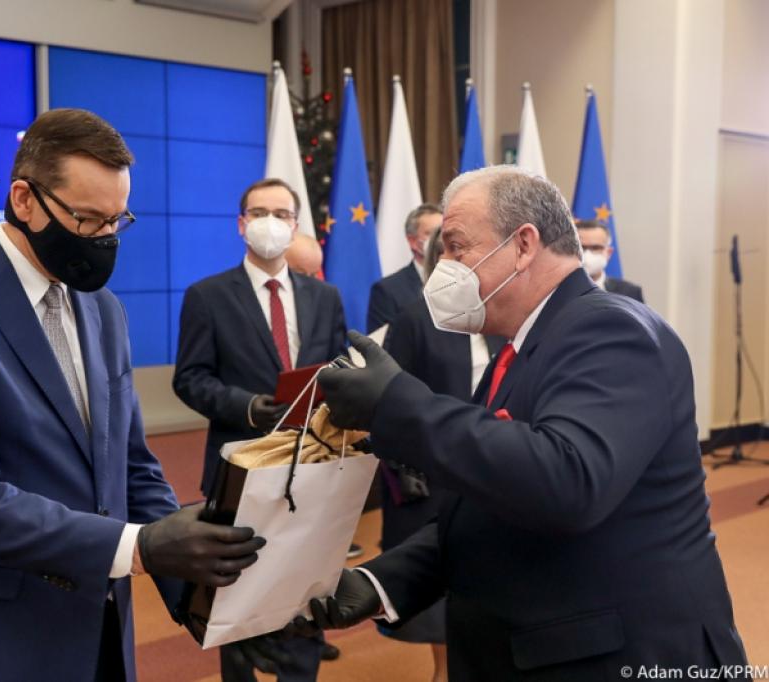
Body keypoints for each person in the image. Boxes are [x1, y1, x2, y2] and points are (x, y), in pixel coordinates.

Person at [309, 166, 749, 679]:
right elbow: (490, 503)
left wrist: (396, 404)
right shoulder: (519, 348)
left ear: (522, 245)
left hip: (617, 659)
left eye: (456, 247)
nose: (443, 267)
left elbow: (567, 481)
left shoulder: (610, 328)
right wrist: (381, 582)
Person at [0, 109, 269, 682]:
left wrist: (210, 595)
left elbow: (131, 467)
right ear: (24, 200)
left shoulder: (103, 309)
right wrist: (141, 547)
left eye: (117, 220)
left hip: (100, 631)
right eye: (88, 219)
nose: (104, 238)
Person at [173, 177, 347, 680]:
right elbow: (190, 379)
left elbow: (339, 370)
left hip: (311, 466)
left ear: (295, 225)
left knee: (305, 593)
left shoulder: (325, 297)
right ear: (241, 223)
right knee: (237, 594)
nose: (270, 222)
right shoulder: (206, 296)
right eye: (259, 212)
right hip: (239, 467)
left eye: (281, 213)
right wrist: (248, 407)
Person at [376, 226, 505, 682]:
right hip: (433, 474)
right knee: (440, 591)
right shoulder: (414, 319)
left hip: (496, 466)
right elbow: (391, 402)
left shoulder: (499, 313)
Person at [366, 203, 443, 332]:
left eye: (442, 233)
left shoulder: (458, 281)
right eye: (431, 233)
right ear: (413, 241)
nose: (439, 240)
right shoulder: (387, 291)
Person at [575, 218, 644, 301]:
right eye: (581, 247)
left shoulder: (630, 292)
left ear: (609, 253)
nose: (587, 254)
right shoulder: (561, 291)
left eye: (596, 248)